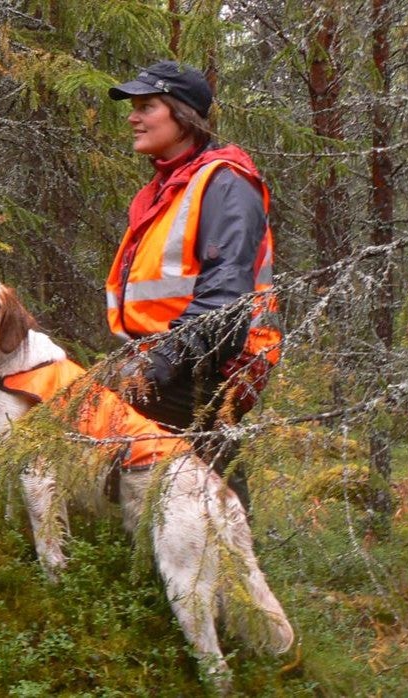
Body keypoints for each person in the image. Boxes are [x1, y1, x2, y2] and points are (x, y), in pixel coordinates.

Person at [104, 60, 282, 512]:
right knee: (198, 474)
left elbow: (227, 297)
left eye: (147, 106)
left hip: (218, 357)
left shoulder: (224, 183)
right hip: (177, 354)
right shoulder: (170, 187)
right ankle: (222, 564)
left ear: (183, 116)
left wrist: (159, 364)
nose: (132, 117)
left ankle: (216, 566)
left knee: (164, 465)